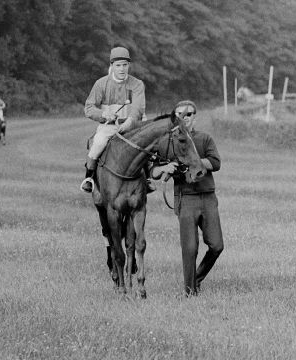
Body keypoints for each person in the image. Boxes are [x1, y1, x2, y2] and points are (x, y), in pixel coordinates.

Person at [156, 100, 224, 296]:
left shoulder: (205, 138)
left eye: (188, 114)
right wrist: (165, 168)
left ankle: (197, 278)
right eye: (179, 114)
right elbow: (154, 170)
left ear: (195, 116)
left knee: (217, 245)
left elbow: (215, 162)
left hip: (208, 197)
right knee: (190, 247)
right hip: (186, 198)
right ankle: (189, 291)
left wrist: (192, 161)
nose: (184, 118)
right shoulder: (168, 142)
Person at [81, 45, 146, 193]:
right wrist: (104, 115)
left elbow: (137, 109)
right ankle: (89, 177)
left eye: (125, 65)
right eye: (118, 65)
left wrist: (130, 122)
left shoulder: (137, 84)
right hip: (110, 125)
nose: (122, 69)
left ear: (129, 65)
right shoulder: (101, 84)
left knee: (148, 143)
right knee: (98, 142)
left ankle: (146, 179)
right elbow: (89, 108)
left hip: (133, 124)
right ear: (112, 66)